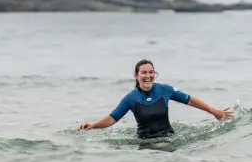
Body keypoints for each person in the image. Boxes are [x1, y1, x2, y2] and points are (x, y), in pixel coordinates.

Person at [77, 59, 233, 139]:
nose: (148, 76)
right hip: (144, 143)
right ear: (136, 76)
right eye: (144, 73)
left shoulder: (165, 90)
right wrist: (92, 126)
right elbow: (112, 119)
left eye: (151, 72)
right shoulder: (130, 98)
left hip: (168, 138)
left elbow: (190, 100)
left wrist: (214, 111)